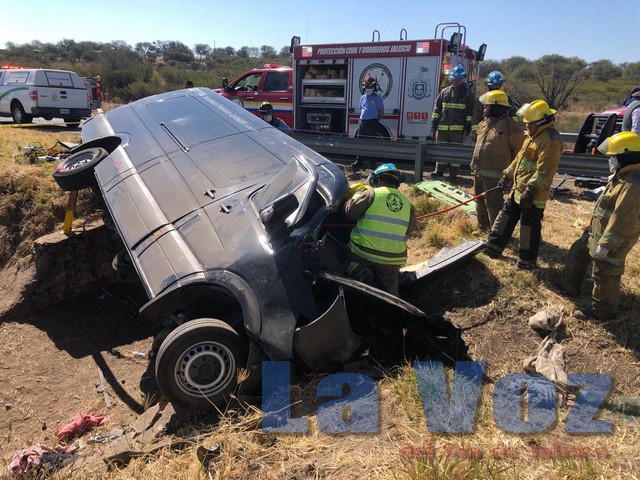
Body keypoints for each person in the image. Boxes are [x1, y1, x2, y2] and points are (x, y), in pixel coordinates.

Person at [559, 131, 640, 320]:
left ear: (626, 156)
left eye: (614, 156)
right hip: (599, 231)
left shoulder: (634, 183)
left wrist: (607, 244)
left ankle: (602, 312)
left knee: (606, 271)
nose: (611, 160)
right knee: (579, 251)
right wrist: (591, 227)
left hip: (614, 238)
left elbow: (623, 218)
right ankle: (568, 287)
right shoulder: (622, 175)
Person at [484, 99, 563, 270]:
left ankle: (526, 262)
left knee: (528, 228)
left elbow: (545, 172)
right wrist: (507, 176)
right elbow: (519, 160)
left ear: (541, 121)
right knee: (504, 218)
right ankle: (492, 248)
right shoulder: (532, 136)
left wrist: (532, 190)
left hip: (533, 195)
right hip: (518, 190)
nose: (526, 126)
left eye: (530, 123)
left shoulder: (551, 140)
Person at [344, 163, 417, 295]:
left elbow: (350, 213)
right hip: (393, 259)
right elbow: (410, 230)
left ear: (377, 180)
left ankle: (360, 272)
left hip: (363, 253)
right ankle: (394, 308)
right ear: (396, 183)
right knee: (390, 283)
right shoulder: (408, 203)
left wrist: (358, 193)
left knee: (341, 255)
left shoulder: (371, 193)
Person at [471, 90, 525, 233]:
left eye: (486, 106)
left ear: (496, 107)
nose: (484, 109)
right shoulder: (483, 124)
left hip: (496, 175)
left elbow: (519, 152)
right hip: (479, 171)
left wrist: (511, 176)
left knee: (494, 204)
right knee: (479, 201)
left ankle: (496, 233)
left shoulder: (510, 127)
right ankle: (483, 228)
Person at [430, 65, 475, 181]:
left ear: (462, 79)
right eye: (454, 79)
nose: (456, 81)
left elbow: (470, 111)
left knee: (456, 151)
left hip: (457, 129)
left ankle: (453, 173)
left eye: (458, 79)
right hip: (442, 127)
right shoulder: (444, 92)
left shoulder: (467, 94)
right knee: (441, 150)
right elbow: (437, 108)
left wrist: (468, 125)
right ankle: (439, 170)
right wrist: (434, 122)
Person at [471, 71, 518, 142]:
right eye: (492, 86)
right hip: (485, 130)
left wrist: (513, 128)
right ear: (488, 85)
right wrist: (474, 132)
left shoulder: (506, 98)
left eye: (497, 85)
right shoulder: (482, 99)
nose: (494, 88)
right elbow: (476, 117)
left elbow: (513, 114)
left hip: (503, 131)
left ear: (500, 85)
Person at [351, 75, 385, 170]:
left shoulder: (377, 98)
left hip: (372, 122)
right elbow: (362, 109)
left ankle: (372, 162)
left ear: (374, 87)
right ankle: (359, 161)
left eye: (370, 87)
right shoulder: (362, 98)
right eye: (367, 87)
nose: (368, 89)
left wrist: (375, 121)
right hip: (363, 122)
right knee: (360, 142)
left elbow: (381, 112)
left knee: (371, 143)